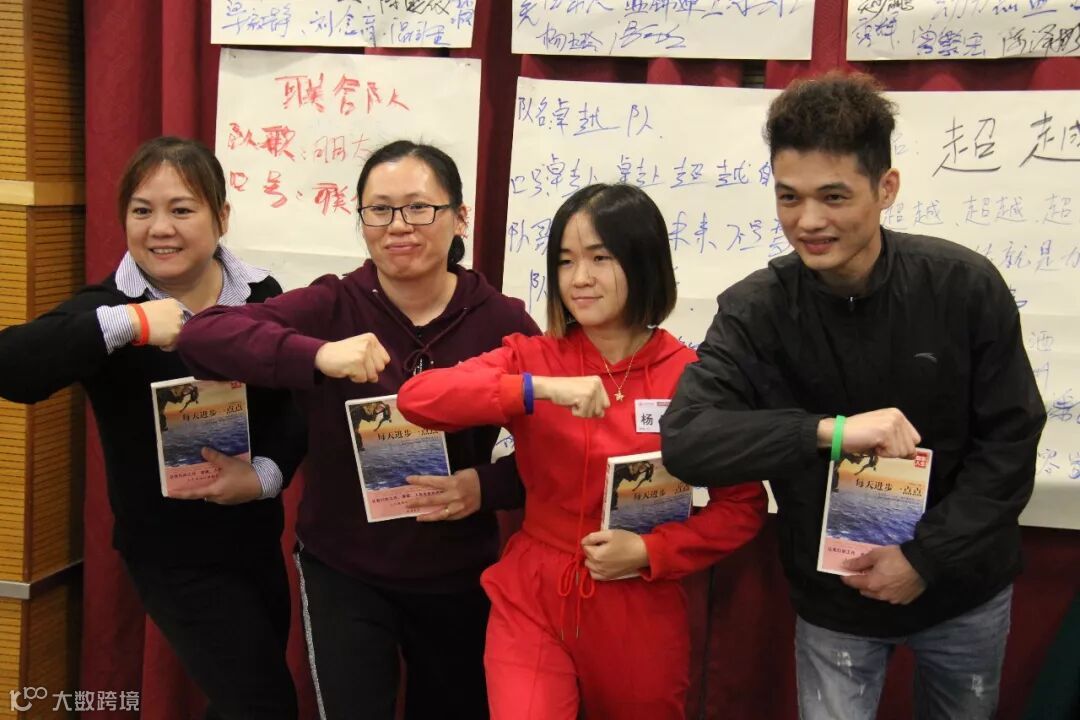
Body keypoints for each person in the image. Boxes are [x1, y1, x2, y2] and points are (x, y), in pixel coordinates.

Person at [661, 72, 1047, 720]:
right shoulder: (756, 310)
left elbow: (1010, 445)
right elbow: (687, 440)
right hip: (834, 600)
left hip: (962, 588)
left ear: (885, 188)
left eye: (833, 196)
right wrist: (829, 432)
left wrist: (924, 559)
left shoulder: (963, 286)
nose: (808, 221)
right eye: (789, 196)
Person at [177, 140, 539, 720]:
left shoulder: (501, 321)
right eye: (380, 209)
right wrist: (318, 355)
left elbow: (556, 450)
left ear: (459, 217)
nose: (399, 226)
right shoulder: (333, 304)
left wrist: (485, 487)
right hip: (343, 568)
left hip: (458, 573)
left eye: (419, 207)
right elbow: (204, 336)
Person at [397, 183, 766, 719]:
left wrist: (652, 552)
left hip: (639, 595)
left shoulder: (692, 377)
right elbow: (419, 399)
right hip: (533, 592)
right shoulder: (532, 357)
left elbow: (742, 505)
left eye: (600, 258)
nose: (579, 278)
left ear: (642, 262)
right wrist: (537, 389)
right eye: (565, 261)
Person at [0, 136, 305, 718]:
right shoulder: (108, 307)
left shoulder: (262, 297)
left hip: (254, 539)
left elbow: (292, 409)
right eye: (142, 211)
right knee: (262, 705)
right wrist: (131, 323)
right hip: (170, 556)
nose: (160, 228)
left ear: (221, 217)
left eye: (181, 209)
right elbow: (12, 368)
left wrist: (264, 476)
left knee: (243, 698)